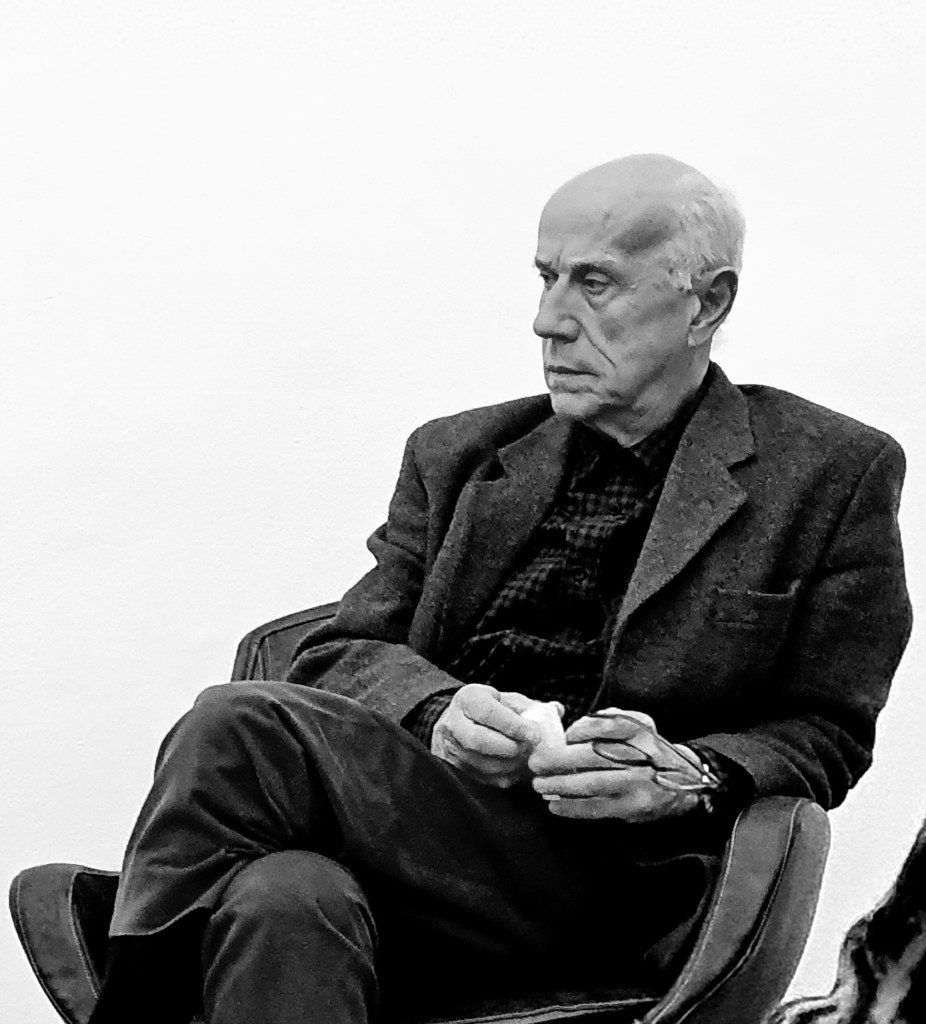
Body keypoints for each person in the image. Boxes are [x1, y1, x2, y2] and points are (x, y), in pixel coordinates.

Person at [87, 154, 912, 1024]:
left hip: (615, 878)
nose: (548, 321)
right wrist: (438, 711)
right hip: (419, 846)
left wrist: (687, 775)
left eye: (595, 283)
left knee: (237, 725)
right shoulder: (456, 455)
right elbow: (339, 652)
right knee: (284, 896)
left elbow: (829, 730)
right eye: (547, 277)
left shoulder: (828, 473)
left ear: (706, 304)